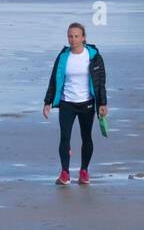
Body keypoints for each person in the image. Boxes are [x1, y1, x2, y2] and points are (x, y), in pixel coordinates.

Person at [43, 22, 107, 186]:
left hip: (87, 103)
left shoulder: (93, 55)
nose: (73, 39)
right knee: (64, 137)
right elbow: (54, 79)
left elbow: (100, 82)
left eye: (76, 36)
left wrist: (102, 103)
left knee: (86, 137)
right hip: (67, 103)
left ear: (83, 37)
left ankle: (84, 171)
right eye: (70, 36)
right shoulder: (63, 56)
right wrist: (47, 101)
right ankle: (65, 173)